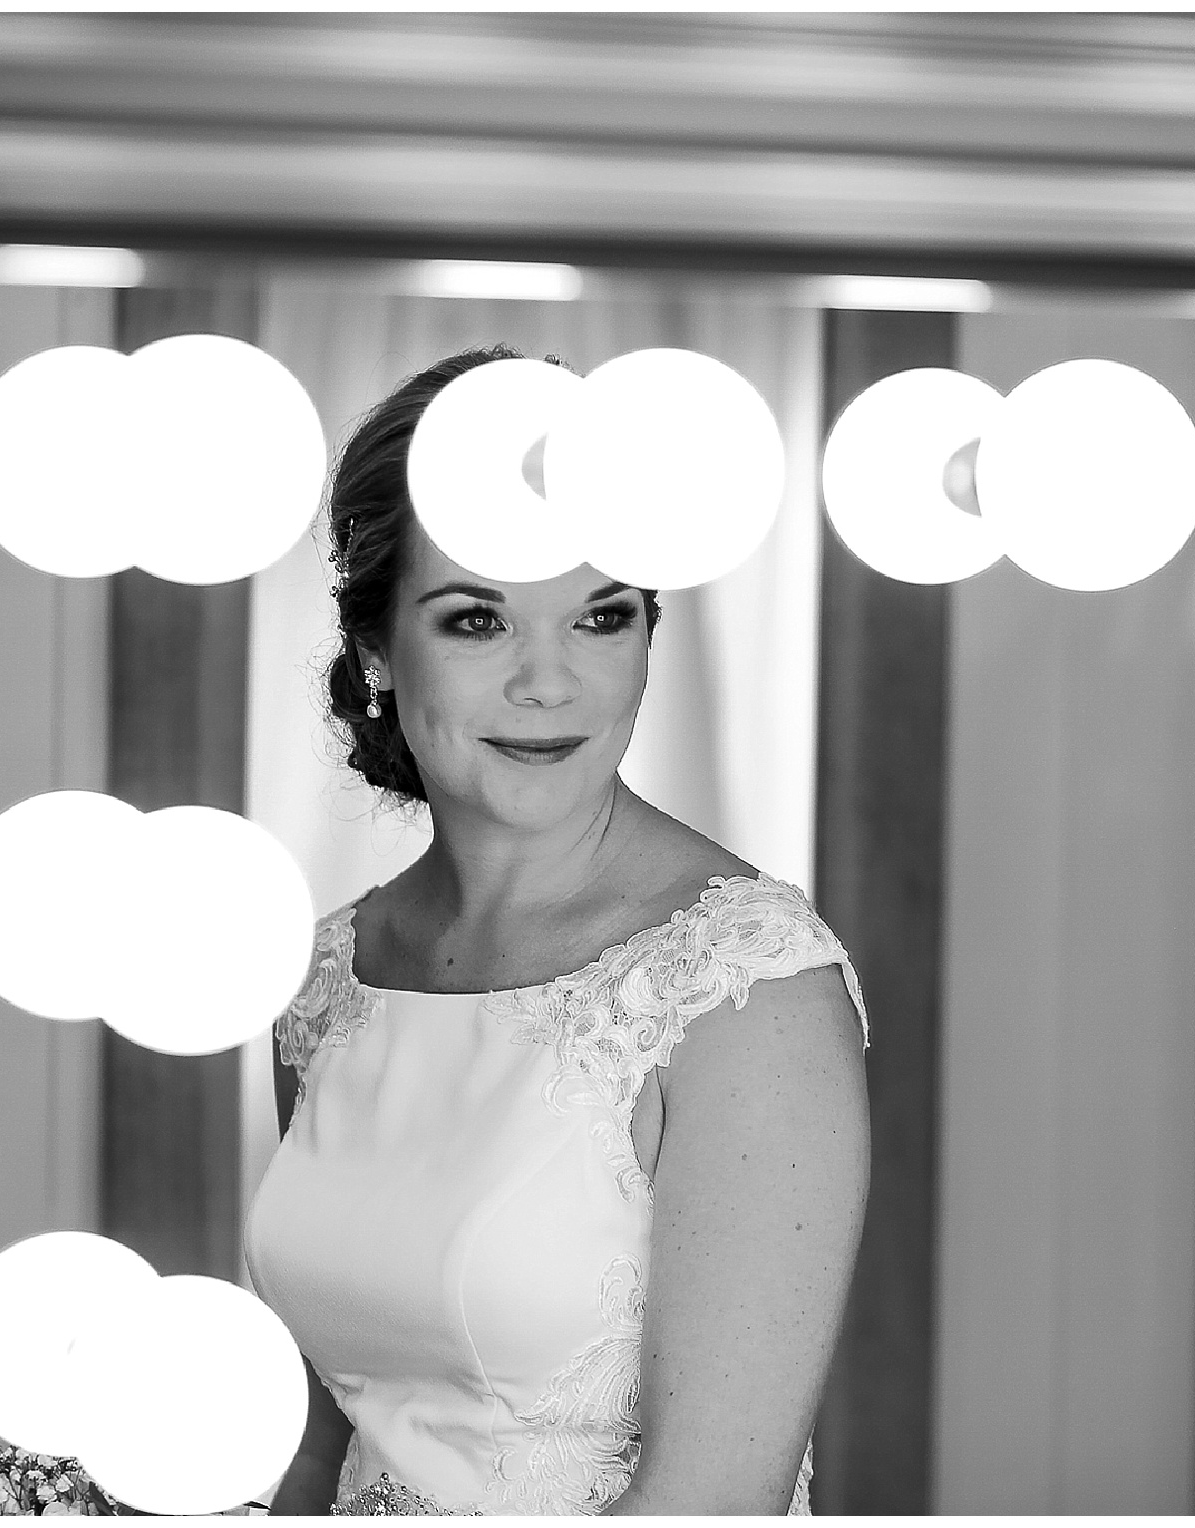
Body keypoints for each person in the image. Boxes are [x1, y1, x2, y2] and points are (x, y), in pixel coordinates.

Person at [244, 345, 871, 1516]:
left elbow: (715, 1496)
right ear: (376, 645)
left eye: (600, 616)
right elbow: (328, 1443)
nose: (551, 682)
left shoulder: (747, 986)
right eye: (478, 619)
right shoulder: (330, 975)